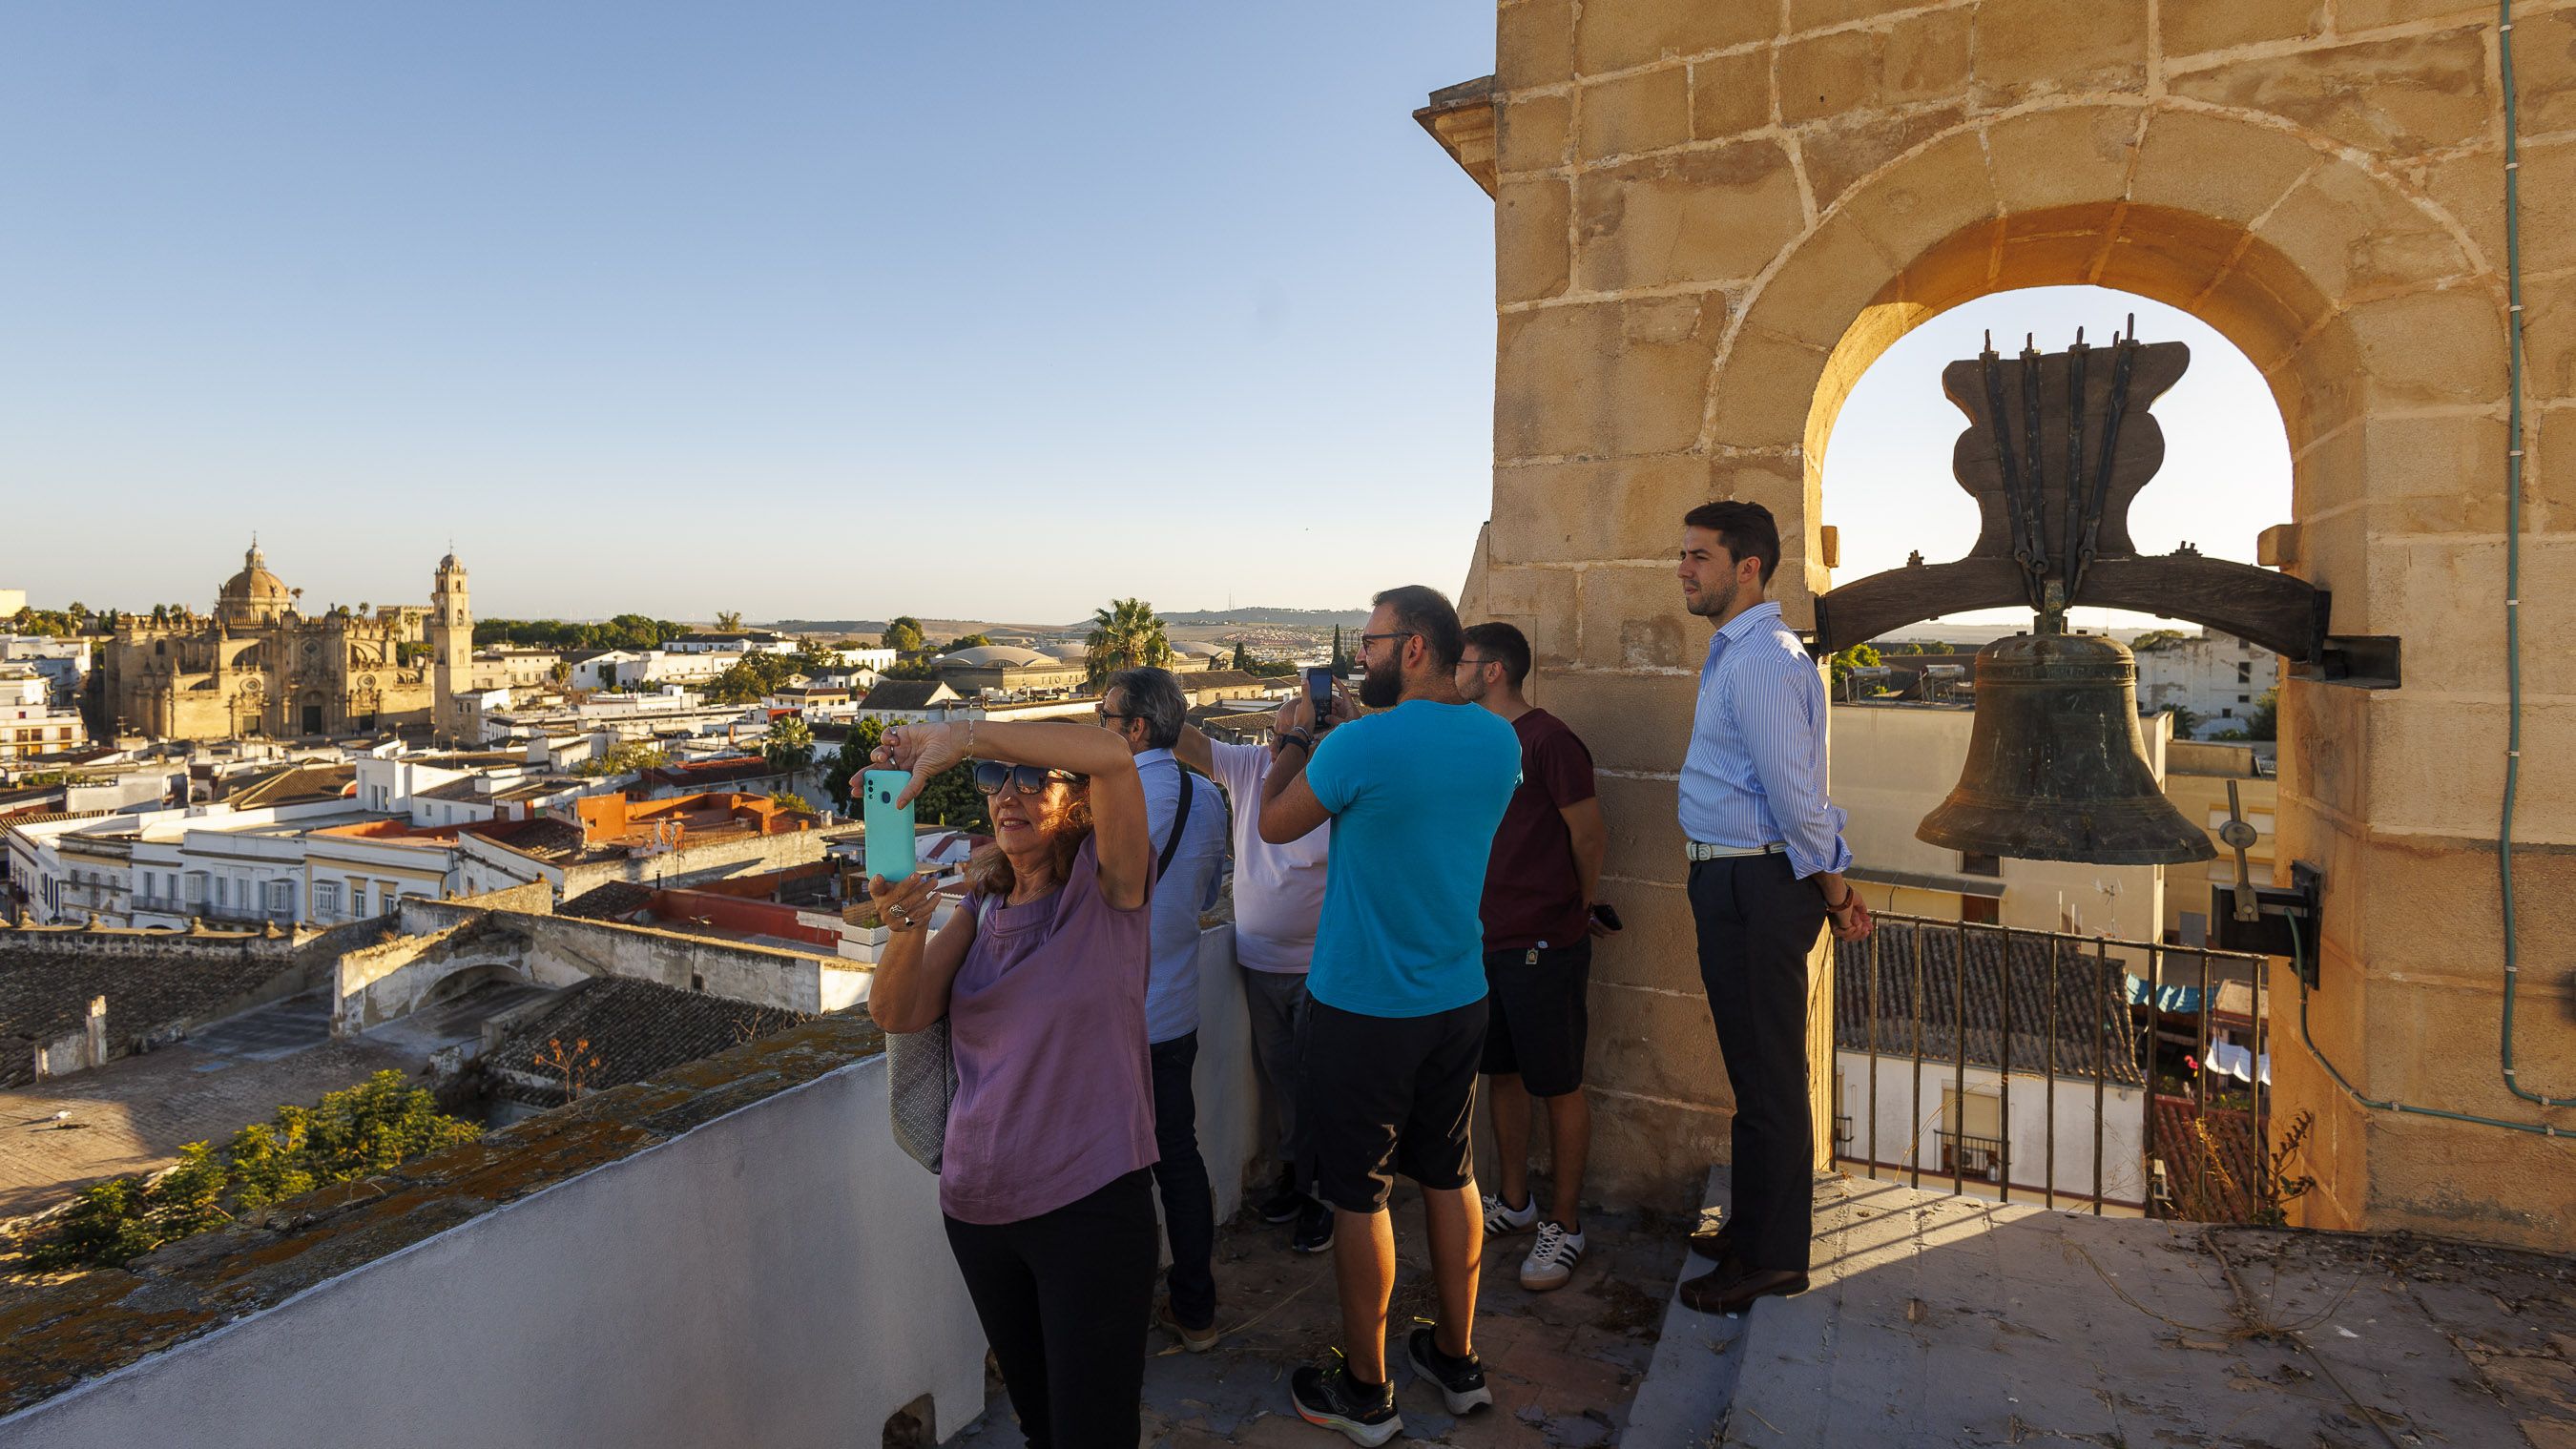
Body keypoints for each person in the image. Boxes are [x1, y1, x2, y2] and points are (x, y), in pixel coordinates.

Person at [1256, 585, 1523, 1446]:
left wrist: (1298, 737)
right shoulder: (1498, 739)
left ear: (1414, 646)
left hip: (1363, 1003)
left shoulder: (1359, 744)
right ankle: (1457, 1357)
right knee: (1451, 1171)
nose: (1359, 657)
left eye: (1370, 642)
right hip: (1456, 994)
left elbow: (1272, 823)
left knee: (1358, 1192)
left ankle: (1365, 1393)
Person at [863, 717, 1158, 1449]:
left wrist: (968, 740)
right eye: (995, 780)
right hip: (979, 1213)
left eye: (1033, 776)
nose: (1010, 793)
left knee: (1094, 1433)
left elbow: (1115, 756)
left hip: (1088, 1210)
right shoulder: (982, 903)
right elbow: (896, 1010)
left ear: (1075, 797)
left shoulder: (1109, 888)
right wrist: (903, 925)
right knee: (1041, 1423)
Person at [1671, 501, 1876, 1319]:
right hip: (1737, 882)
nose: (1683, 569)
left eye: (1699, 556)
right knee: (1755, 1074)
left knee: (1770, 1081)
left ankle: (1774, 1259)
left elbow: (1796, 802)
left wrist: (1833, 888)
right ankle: (1753, 1230)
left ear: (1748, 566)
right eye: (1683, 554)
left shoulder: (1760, 661)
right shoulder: (1739, 655)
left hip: (1758, 884)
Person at [1454, 621, 1611, 1293]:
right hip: (1485, 941)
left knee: (1559, 1083)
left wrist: (1575, 906)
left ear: (1492, 670)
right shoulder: (1475, 740)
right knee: (1505, 1076)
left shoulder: (1549, 740)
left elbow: (1589, 834)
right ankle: (1515, 1202)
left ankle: (1566, 1223)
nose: (1452, 673)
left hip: (1544, 944)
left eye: (1461, 662)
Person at [1174, 690, 1338, 1256]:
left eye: (1294, 732)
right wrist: (1144, 694)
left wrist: (1343, 726)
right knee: (1284, 1078)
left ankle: (1326, 1197)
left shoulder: (1338, 775)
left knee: (1322, 1082)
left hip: (1324, 966)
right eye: (1278, 728)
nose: (1280, 740)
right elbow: (1186, 740)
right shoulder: (1250, 767)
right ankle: (1297, 1177)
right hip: (1261, 961)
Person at [1096, 667, 1231, 1352]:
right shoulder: (1209, 798)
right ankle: (1197, 1309)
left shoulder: (1108, 798)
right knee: (1180, 1160)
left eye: (1105, 714)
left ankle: (1117, 1313)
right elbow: (1209, 897)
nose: (1098, 725)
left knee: (1116, 1175)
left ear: (1137, 727)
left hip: (1113, 1020)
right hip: (1176, 1011)